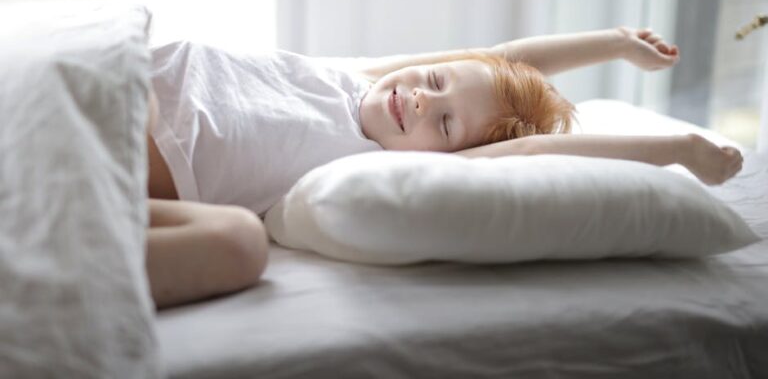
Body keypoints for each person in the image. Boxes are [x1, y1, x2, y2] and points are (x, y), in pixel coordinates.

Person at [144, 26, 743, 309]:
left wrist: (678, 149)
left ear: (451, 158)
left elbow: (530, 152)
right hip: (129, 78)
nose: (423, 99)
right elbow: (497, 59)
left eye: (447, 124)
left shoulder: (363, 161)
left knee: (239, 244)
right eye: (434, 82)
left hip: (123, 155)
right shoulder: (357, 77)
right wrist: (613, 42)